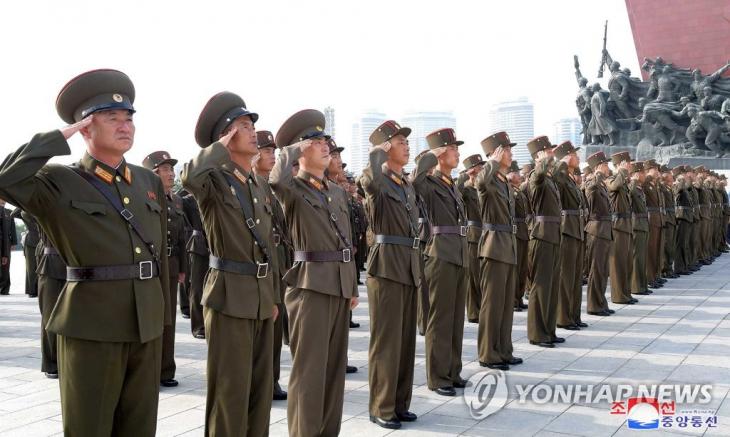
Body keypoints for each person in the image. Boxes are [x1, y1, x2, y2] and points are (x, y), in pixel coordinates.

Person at [0, 69, 168, 436]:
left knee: (140, 427)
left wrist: (163, 314)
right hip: (91, 324)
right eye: (111, 118)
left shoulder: (147, 181)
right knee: (88, 426)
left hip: (146, 322)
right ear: (86, 128)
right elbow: (5, 179)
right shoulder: (58, 180)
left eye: (129, 119)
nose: (125, 126)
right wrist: (57, 137)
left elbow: (160, 260)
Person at [182, 92, 279, 436]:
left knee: (259, 390)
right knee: (230, 391)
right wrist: (218, 148)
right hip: (228, 295)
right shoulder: (214, 181)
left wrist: (275, 298)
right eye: (243, 126)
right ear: (225, 136)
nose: (253, 132)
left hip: (261, 296)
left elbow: (270, 246)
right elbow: (189, 177)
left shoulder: (258, 185)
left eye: (253, 125)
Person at [270, 109, 358, 436]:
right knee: (309, 373)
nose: (326, 147)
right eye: (317, 142)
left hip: (337, 285)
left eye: (326, 141)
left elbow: (346, 241)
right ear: (302, 149)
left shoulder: (335, 191)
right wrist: (293, 149)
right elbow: (275, 180)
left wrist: (351, 286)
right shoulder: (293, 188)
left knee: (334, 372)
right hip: (309, 288)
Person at [361, 120, 420, 429]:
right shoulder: (378, 181)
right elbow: (367, 180)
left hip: (408, 262)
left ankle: (400, 402)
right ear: (385, 148)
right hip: (386, 265)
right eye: (399, 141)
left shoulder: (404, 183)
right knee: (387, 341)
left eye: (406, 142)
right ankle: (381, 406)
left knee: (406, 340)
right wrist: (376, 154)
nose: (407, 145)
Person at [411, 128, 468, 396]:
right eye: (453, 149)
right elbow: (414, 179)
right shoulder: (429, 183)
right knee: (440, 318)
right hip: (439, 254)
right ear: (441, 153)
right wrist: (430, 155)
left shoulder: (450, 183)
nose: (458, 153)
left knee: (456, 318)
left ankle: (453, 371)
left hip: (458, 252)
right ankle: (438, 376)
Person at [476, 131, 521, 369]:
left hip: (508, 243)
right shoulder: (489, 179)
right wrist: (491, 162)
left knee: (505, 303)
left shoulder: (503, 181)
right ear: (497, 153)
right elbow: (480, 182)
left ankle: (504, 349)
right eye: (507, 150)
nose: (511, 154)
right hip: (493, 245)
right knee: (492, 304)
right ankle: (488, 353)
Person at [143, 151, 188, 388]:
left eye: (172, 170)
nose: (171, 174)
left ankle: (165, 370)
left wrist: (182, 267)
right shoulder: (145, 197)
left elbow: (182, 236)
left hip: (170, 265)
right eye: (165, 170)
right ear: (153, 174)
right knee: (152, 317)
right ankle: (148, 368)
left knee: (168, 319)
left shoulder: (177, 200)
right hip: (151, 266)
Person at [253, 129, 290, 401]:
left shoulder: (269, 185)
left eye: (274, 152)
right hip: (260, 264)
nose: (272, 156)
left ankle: (272, 380)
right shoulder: (252, 185)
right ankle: (263, 381)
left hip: (278, 261)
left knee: (276, 329)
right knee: (265, 330)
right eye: (267, 151)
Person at [525, 136, 563, 348]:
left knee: (552, 285)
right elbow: (538, 175)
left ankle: (549, 329)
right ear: (538, 155)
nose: (551, 153)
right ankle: (538, 333)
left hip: (553, 233)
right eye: (546, 150)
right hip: (541, 235)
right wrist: (541, 162)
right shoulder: (536, 176)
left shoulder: (549, 178)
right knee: (540, 286)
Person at [553, 141, 587, 331]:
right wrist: (562, 163)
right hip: (567, 229)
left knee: (575, 276)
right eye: (574, 154)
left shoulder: (572, 178)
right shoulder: (562, 176)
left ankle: (574, 315)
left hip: (576, 228)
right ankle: (563, 317)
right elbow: (555, 178)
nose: (578, 157)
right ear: (567, 156)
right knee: (566, 276)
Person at [584, 152, 615, 316]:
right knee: (596, 270)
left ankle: (601, 302)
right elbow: (589, 191)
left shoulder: (602, 184)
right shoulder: (592, 183)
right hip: (596, 230)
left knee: (603, 270)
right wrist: (596, 174)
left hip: (604, 230)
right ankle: (593, 305)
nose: (608, 168)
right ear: (597, 167)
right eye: (605, 165)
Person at [457, 154, 484, 324]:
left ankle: (482, 308)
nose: (483, 169)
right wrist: (466, 174)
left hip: (486, 234)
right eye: (480, 167)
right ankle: (474, 312)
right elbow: (456, 188)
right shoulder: (466, 190)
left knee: (482, 275)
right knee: (473, 275)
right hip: (473, 235)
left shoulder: (483, 188)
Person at [0, 199, 16, 295]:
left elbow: (13, 229)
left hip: (7, 242)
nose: (3, 200)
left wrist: (13, 242)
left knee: (6, 265)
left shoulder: (9, 212)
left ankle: (5, 288)